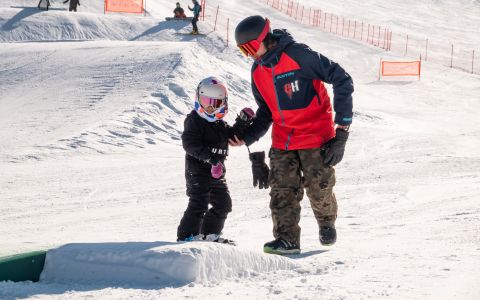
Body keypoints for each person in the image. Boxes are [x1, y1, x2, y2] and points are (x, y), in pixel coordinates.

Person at [232, 16, 354, 255]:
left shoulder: (299, 55)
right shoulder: (258, 71)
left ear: (264, 38)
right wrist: (246, 138)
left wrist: (342, 131)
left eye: (250, 48)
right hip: (283, 139)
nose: (249, 55)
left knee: (319, 188)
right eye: (243, 51)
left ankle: (326, 221)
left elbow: (342, 79)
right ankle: (287, 239)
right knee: (281, 190)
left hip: (315, 135)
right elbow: (266, 112)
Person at [177, 76, 255, 245]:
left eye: (216, 103)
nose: (211, 108)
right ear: (198, 99)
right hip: (197, 172)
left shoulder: (220, 125)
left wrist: (242, 122)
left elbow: (233, 136)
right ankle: (186, 236)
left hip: (217, 174)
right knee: (199, 203)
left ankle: (209, 235)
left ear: (224, 104)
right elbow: (189, 143)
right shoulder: (194, 121)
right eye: (207, 102)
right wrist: (210, 158)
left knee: (224, 204)